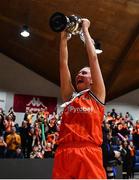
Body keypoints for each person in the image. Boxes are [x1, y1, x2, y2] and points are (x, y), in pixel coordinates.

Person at [52, 18, 106, 179]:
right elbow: (63, 64)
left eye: (84, 73)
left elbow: (93, 59)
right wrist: (63, 37)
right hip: (64, 153)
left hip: (88, 153)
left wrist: (85, 30)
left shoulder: (97, 94)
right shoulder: (70, 96)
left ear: (92, 79)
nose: (78, 75)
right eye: (78, 73)